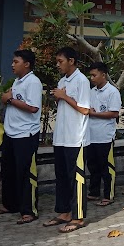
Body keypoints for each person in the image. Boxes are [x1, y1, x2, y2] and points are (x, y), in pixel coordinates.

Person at [43, 47, 90, 233]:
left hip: (76, 138)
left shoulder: (82, 81)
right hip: (61, 137)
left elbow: (85, 109)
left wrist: (64, 96)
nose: (57, 65)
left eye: (60, 61)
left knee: (76, 178)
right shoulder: (63, 80)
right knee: (61, 176)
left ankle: (78, 216)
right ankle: (64, 212)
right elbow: (63, 103)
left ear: (71, 61)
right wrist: (58, 98)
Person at [0, 49, 43, 224]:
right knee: (8, 171)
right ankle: (10, 204)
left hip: (26, 134)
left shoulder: (33, 82)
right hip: (11, 133)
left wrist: (9, 99)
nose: (12, 65)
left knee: (25, 173)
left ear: (27, 64)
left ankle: (29, 210)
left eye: (16, 62)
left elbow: (33, 108)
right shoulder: (17, 81)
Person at [86, 62, 121, 207]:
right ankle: (94, 192)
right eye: (91, 75)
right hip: (91, 135)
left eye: (94, 75)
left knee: (106, 167)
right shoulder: (91, 91)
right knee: (93, 166)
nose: (92, 78)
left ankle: (109, 194)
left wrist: (95, 114)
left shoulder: (112, 92)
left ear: (103, 75)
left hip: (105, 135)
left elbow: (114, 113)